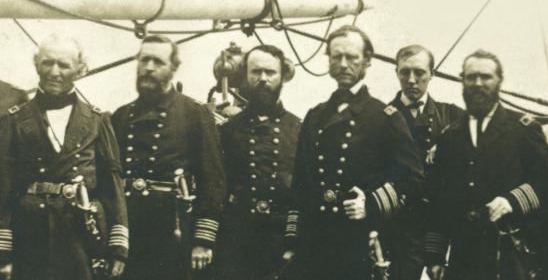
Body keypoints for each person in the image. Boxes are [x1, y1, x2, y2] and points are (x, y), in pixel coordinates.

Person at [283, 25, 425, 280]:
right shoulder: (315, 116)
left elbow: (412, 178)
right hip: (315, 241)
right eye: (336, 57)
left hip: (361, 242)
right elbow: (301, 184)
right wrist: (293, 240)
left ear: (367, 61)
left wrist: (370, 203)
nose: (343, 64)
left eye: (352, 57)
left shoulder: (385, 116)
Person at [0, 34, 128, 280]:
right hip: (29, 234)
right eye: (47, 63)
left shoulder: (97, 120)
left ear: (80, 70)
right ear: (36, 64)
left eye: (64, 65)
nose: (54, 72)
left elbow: (113, 186)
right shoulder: (13, 120)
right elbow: (2, 186)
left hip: (81, 235)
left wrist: (118, 246)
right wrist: (3, 250)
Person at [424, 49, 548, 280]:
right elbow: (439, 200)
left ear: (499, 81)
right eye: (471, 77)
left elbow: (546, 181)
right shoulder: (450, 136)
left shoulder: (523, 128)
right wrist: (434, 256)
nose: (478, 83)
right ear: (462, 81)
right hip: (464, 259)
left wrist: (513, 200)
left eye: (485, 77)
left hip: (512, 257)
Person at [111, 35, 226, 280]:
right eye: (144, 60)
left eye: (158, 62)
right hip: (130, 230)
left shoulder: (195, 114)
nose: (149, 68)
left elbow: (212, 179)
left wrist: (203, 240)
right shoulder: (120, 116)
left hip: (174, 231)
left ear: (173, 68)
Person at [214, 45, 301, 280]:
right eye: (256, 72)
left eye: (270, 72)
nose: (263, 78)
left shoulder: (300, 130)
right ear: (245, 76)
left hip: (282, 242)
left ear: (283, 76)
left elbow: (304, 191)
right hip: (237, 241)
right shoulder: (227, 131)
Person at [388, 44, 463, 280]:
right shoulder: (380, 117)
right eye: (405, 72)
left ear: (432, 73)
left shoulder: (453, 117)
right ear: (397, 73)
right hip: (395, 231)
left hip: (438, 229)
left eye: (419, 72)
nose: (412, 80)